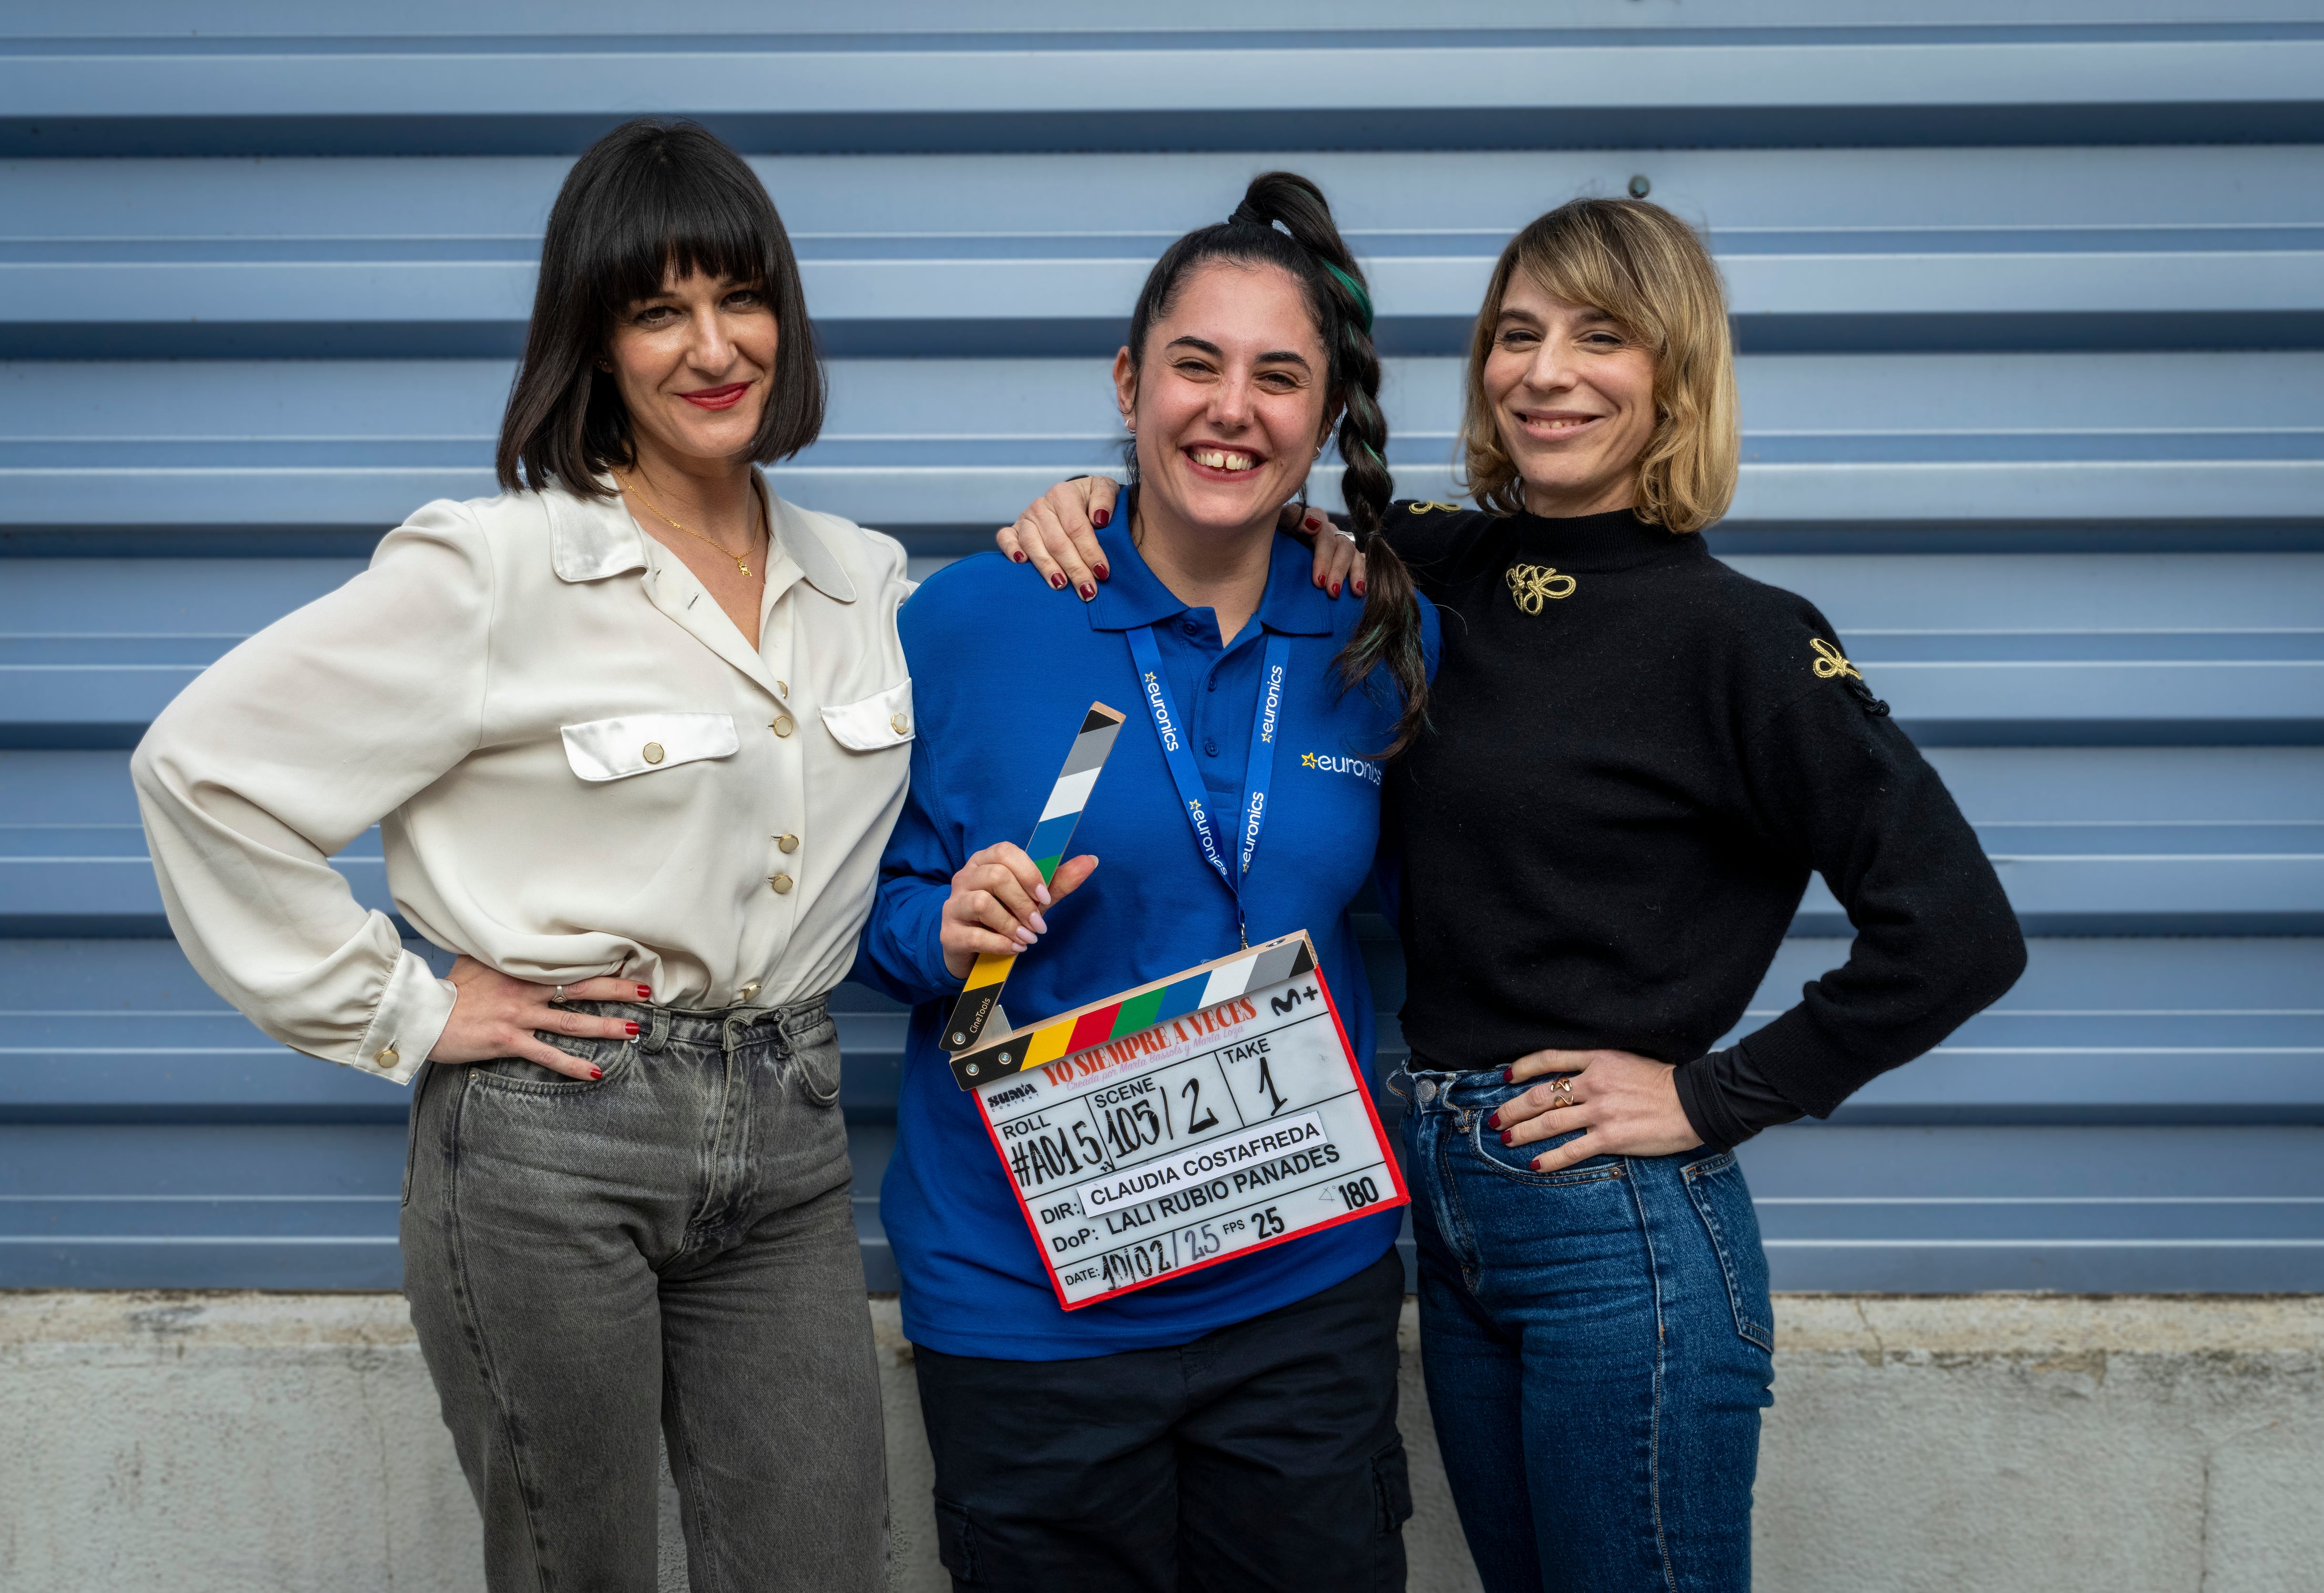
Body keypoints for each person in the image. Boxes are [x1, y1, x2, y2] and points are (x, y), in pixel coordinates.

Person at [1001, 196, 2028, 1593]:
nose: (1546, 373)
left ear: (1675, 376)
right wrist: (1090, 500)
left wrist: (1711, 1097)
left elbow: (1960, 933)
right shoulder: (1429, 562)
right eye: (1518, 333)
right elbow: (1225, 486)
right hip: (1447, 1210)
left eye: (1601, 338)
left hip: (1622, 1236)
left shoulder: (1747, 642)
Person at [131, 120, 900, 1592]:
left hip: (791, 1130)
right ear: (593, 342)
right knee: (575, 1570)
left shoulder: (859, 579)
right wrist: (410, 1012)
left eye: (741, 298)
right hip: (557, 1138)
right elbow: (201, 769)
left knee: (821, 1562)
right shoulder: (496, 571)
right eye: (656, 310)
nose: (713, 345)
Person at [855, 172, 1437, 1593]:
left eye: (1278, 377)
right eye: (1196, 364)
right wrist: (943, 924)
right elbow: (838, 916)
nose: (1231, 408)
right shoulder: (974, 617)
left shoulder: (1380, 633)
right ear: (1129, 382)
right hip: (1028, 1306)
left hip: (1300, 1288)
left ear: (1319, 415)